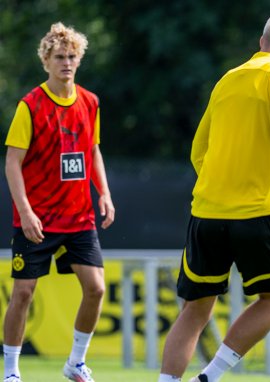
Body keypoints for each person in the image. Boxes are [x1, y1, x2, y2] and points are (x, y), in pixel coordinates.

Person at [157, 10, 270, 382]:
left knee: (194, 310)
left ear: (261, 43)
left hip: (207, 211)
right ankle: (210, 376)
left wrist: (220, 184)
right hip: (261, 212)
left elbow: (199, 149)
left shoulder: (227, 79)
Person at [3, 22, 115, 382]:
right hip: (38, 219)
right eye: (59, 57)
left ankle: (75, 363)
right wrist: (25, 211)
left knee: (96, 288)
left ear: (79, 60)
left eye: (72, 57)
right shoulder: (30, 105)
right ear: (46, 61)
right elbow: (12, 163)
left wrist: (105, 193)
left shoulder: (90, 102)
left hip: (78, 216)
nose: (66, 63)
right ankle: (10, 372)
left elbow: (93, 150)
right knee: (23, 294)